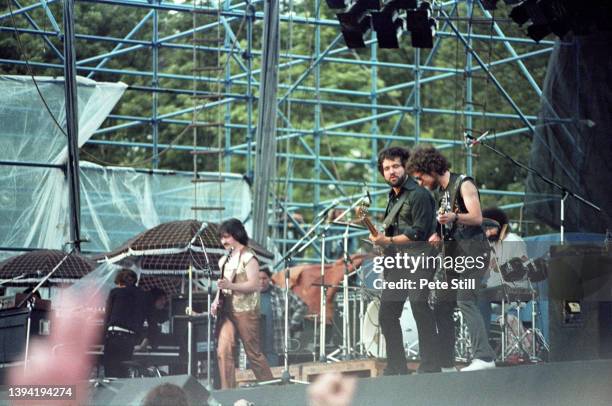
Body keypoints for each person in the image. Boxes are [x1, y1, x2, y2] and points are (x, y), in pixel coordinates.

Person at [407, 145, 496, 371]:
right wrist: (438, 233)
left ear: (431, 169)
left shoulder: (464, 183)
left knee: (465, 299)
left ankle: (485, 358)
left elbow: (476, 218)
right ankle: (446, 364)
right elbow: (447, 225)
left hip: (474, 251)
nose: (420, 182)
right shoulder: (441, 193)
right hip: (454, 254)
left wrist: (454, 216)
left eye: (420, 177)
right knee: (442, 305)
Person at [369, 147, 438, 375]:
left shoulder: (419, 194)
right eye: (386, 168)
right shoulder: (393, 197)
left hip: (420, 258)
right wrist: (383, 245)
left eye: (396, 166)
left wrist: (386, 239)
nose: (391, 171)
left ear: (405, 167)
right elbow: (391, 236)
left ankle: (430, 364)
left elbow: (418, 231)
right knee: (387, 313)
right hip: (398, 263)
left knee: (419, 306)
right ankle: (397, 365)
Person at [207, 218, 274, 388]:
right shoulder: (224, 260)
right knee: (223, 350)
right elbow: (223, 286)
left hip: (246, 310)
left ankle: (271, 388)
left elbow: (254, 284)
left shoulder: (249, 257)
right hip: (227, 310)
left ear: (237, 235)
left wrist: (231, 285)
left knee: (253, 353)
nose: (223, 241)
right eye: (221, 238)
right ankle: (228, 392)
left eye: (226, 237)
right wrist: (215, 302)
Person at [103, 268, 153, 378]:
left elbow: (106, 317)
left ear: (121, 282)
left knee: (110, 373)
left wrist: (102, 338)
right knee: (123, 370)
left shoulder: (115, 292)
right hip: (130, 338)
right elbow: (151, 321)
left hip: (113, 336)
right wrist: (146, 339)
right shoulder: (144, 295)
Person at [258, 267, 308, 366]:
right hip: (255, 346)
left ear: (269, 279)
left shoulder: (281, 292)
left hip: (276, 346)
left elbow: (302, 306)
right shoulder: (248, 295)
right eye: (258, 279)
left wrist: (292, 324)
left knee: (275, 374)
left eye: (264, 278)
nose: (261, 282)